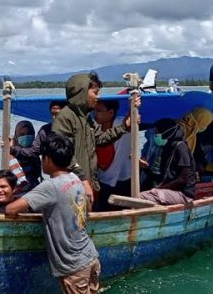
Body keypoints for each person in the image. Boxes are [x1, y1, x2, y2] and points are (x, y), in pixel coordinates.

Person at [5, 133, 115, 294]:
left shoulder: (50, 186)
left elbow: (11, 209)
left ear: (47, 159)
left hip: (74, 266)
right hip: (90, 257)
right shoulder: (75, 179)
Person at [52, 72, 136, 206]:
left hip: (87, 184)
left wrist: (124, 126)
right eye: (95, 93)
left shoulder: (86, 119)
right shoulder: (65, 118)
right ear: (83, 92)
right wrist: (83, 180)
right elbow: (64, 154)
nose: (97, 97)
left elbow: (100, 139)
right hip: (73, 186)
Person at [139, 118, 197, 205]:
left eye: (157, 132)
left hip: (183, 194)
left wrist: (159, 189)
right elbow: (163, 177)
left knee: (140, 197)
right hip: (168, 192)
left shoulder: (181, 147)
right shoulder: (166, 149)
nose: (155, 135)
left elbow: (182, 180)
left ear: (166, 133)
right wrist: (146, 168)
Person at [10, 101, 66, 176]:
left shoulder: (76, 129)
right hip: (55, 172)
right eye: (52, 114)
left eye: (58, 114)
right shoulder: (46, 130)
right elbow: (33, 151)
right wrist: (12, 149)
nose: (54, 117)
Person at [94, 99, 132, 211]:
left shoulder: (120, 123)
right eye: (94, 110)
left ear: (110, 113)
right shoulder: (94, 126)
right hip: (102, 180)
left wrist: (133, 106)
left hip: (123, 179)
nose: (95, 114)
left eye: (99, 111)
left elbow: (130, 121)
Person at [9, 120, 41, 189]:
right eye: (22, 134)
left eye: (29, 133)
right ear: (17, 136)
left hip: (34, 190)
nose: (26, 136)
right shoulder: (11, 152)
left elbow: (37, 173)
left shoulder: (35, 153)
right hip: (17, 192)